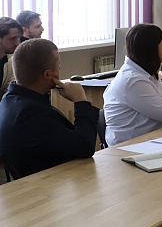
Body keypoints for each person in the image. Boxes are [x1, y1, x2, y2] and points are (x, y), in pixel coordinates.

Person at [0, 39, 98, 178]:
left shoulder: (9, 99)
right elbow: (85, 146)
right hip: (49, 183)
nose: (59, 70)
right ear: (47, 75)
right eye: (58, 67)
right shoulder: (31, 114)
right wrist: (81, 101)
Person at [103, 24, 162, 146]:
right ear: (151, 49)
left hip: (151, 142)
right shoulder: (132, 81)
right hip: (128, 149)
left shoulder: (145, 73)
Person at [0, 17, 22, 98]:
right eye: (13, 38)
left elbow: (8, 91)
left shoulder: (10, 60)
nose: (17, 44)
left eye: (18, 38)